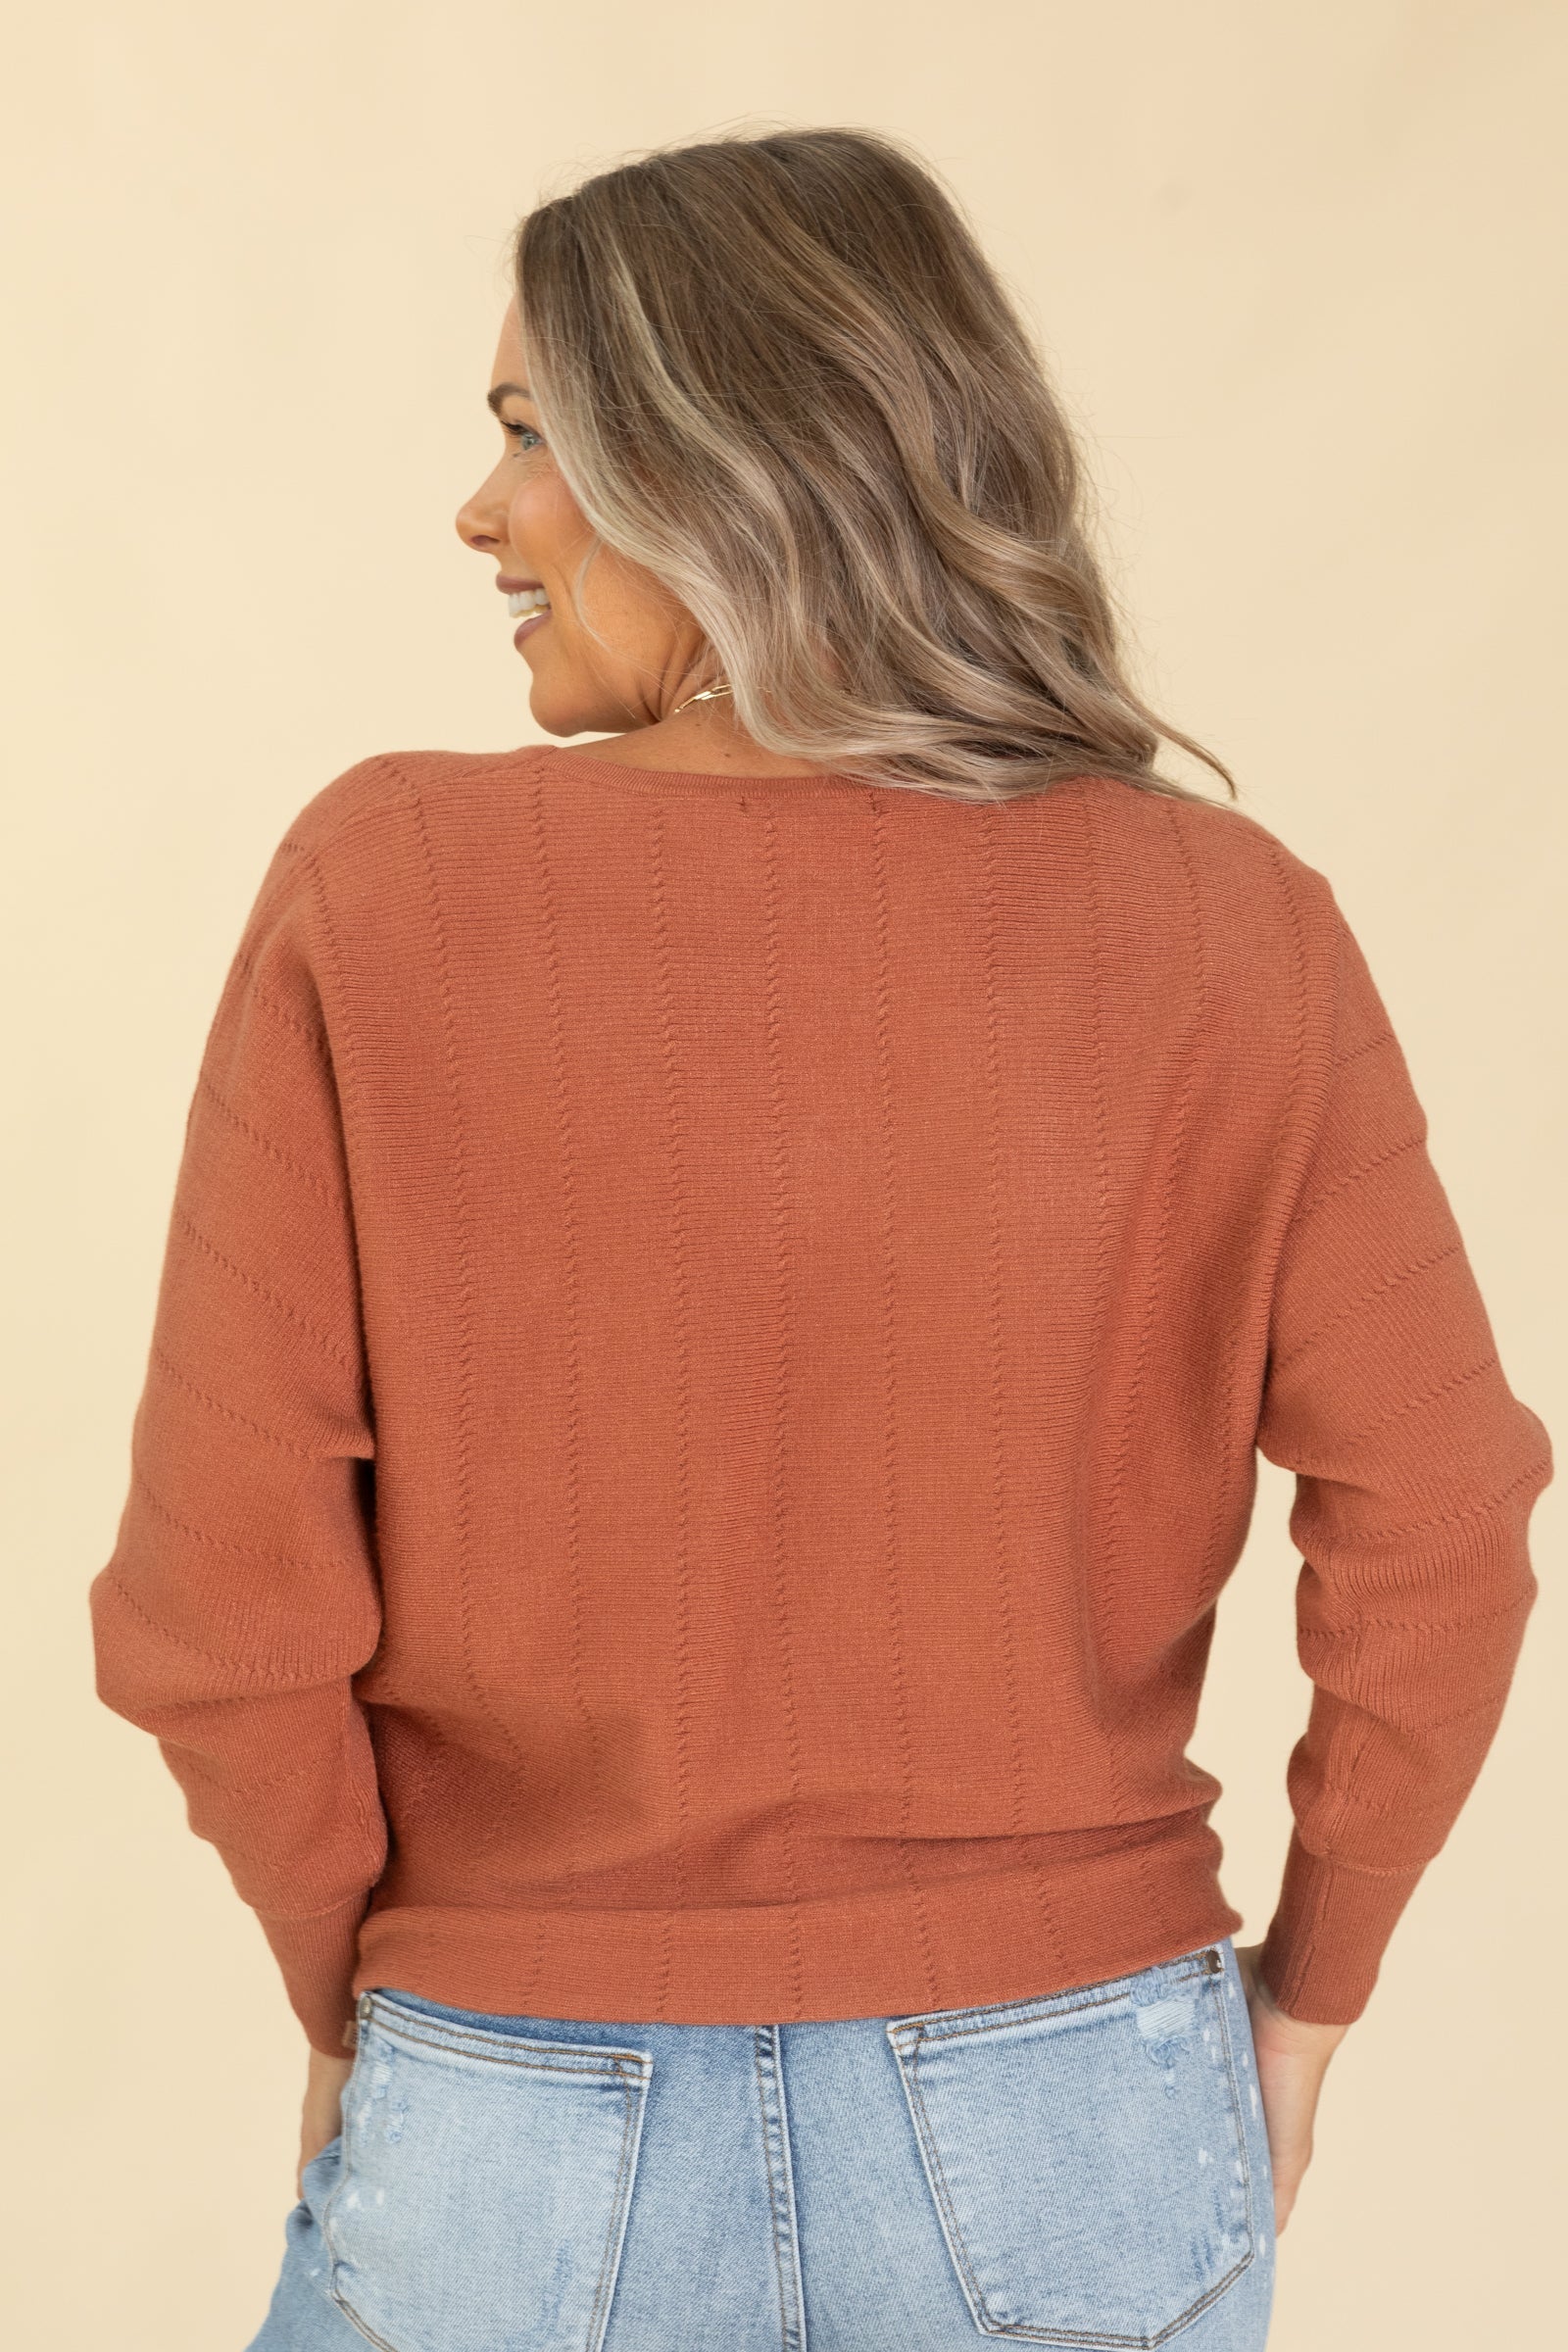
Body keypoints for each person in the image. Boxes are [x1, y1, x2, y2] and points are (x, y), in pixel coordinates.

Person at [89, 126, 1551, 2352]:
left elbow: (217, 1604)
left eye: (529, 437)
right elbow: (1441, 1518)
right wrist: (1312, 1999)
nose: (480, 513)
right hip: (1076, 2106)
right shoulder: (1224, 921)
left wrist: (369, 1997)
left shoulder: (379, 892)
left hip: (514, 2098)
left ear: (710, 463)